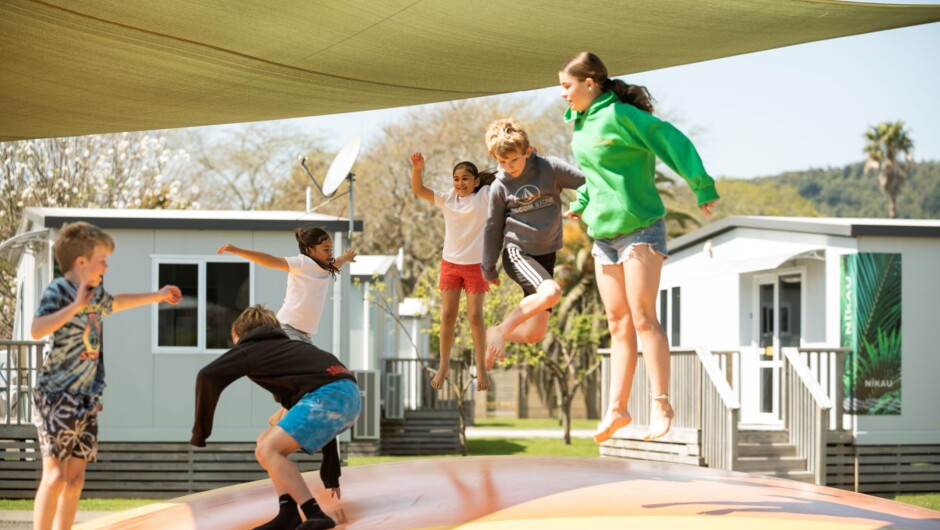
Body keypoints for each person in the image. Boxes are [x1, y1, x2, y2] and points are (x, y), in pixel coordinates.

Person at [558, 52, 720, 444]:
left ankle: (661, 403)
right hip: (605, 236)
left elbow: (670, 139)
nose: (563, 94)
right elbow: (597, 176)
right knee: (617, 323)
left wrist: (701, 185)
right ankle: (618, 408)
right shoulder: (579, 126)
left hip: (641, 230)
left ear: (590, 83)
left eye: (567, 86)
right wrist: (581, 204)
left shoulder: (620, 117)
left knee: (644, 316)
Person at [30, 221, 182, 530]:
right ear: (81, 262)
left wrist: (158, 295)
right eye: (103, 260)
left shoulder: (95, 292)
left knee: (74, 480)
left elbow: (117, 302)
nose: (107, 266)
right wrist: (76, 306)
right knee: (55, 476)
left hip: (86, 398)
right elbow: (37, 329)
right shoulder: (59, 290)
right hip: (56, 395)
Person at [191, 305, 360, 530]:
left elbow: (207, 375)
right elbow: (328, 420)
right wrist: (331, 474)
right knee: (265, 441)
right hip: (350, 396)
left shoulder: (251, 347)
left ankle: (315, 514)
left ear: (239, 335)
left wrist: (200, 433)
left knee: (268, 449)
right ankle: (288, 512)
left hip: (328, 395)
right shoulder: (293, 350)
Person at [481, 119, 586, 370]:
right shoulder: (499, 186)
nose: (508, 167)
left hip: (546, 255)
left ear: (528, 151)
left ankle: (495, 332)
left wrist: (582, 204)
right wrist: (489, 268)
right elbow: (493, 228)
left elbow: (587, 182)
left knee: (533, 334)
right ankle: (502, 330)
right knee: (552, 293)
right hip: (518, 252)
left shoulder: (550, 168)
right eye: (501, 162)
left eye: (513, 160)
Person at [410, 152, 494, 391]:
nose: (460, 183)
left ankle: (480, 368)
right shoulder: (448, 198)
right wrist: (418, 168)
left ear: (477, 181)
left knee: (475, 317)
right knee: (448, 315)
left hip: (475, 266)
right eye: (456, 178)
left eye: (466, 178)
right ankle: (443, 365)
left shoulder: (485, 196)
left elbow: (507, 181)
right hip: (450, 264)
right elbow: (419, 189)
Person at [217, 226, 356, 343]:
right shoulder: (301, 263)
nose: (330, 253)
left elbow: (339, 260)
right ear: (310, 250)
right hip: (288, 329)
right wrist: (238, 251)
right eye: (326, 249)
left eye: (331, 249)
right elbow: (271, 261)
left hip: (305, 335)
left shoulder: (327, 267)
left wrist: (347, 256)